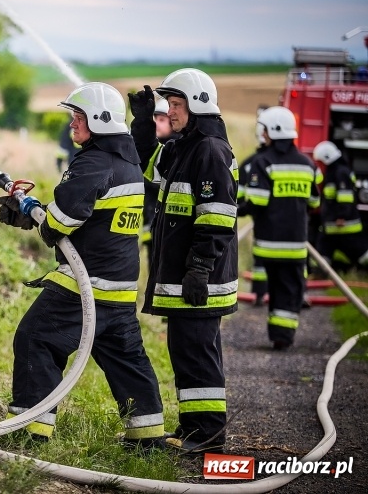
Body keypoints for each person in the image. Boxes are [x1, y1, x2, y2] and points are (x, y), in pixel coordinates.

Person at [0, 82, 165, 450]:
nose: (71, 124)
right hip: (119, 286)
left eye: (78, 117)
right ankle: (148, 438)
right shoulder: (127, 161)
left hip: (83, 284)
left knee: (36, 339)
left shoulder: (93, 163)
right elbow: (85, 214)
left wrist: (31, 212)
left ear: (100, 121)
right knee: (126, 359)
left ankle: (31, 430)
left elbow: (58, 225)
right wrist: (36, 212)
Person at [128, 69, 238, 455]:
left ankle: (207, 435)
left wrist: (199, 268)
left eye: (176, 105)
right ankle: (197, 430)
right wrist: (142, 125)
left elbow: (217, 217)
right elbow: (139, 172)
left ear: (197, 105)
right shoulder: (179, 148)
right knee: (188, 354)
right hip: (185, 276)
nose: (169, 112)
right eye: (168, 105)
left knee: (197, 355)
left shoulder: (209, 150)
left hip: (198, 278)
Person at [243, 106, 320, 351]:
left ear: (274, 130)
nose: (262, 134)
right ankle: (282, 338)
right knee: (290, 290)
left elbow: (257, 201)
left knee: (275, 287)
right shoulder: (307, 164)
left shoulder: (263, 161)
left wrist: (235, 208)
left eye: (264, 129)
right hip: (296, 245)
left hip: (268, 245)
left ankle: (278, 334)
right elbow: (315, 202)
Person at [312, 140, 368, 269]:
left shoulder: (339, 173)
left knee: (361, 254)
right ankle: (320, 271)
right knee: (323, 249)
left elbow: (345, 198)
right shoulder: (336, 171)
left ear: (326, 159)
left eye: (320, 162)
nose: (319, 165)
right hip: (332, 225)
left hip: (343, 225)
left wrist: (341, 216)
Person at [141, 97, 180, 268]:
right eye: (154, 119)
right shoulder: (151, 148)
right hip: (151, 228)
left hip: (172, 231)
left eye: (162, 119)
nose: (157, 123)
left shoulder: (178, 150)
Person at [236, 106, 269, 306]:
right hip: (291, 225)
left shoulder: (251, 163)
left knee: (262, 260)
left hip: (263, 223)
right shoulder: (300, 162)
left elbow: (240, 198)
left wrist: (239, 210)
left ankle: (259, 294)